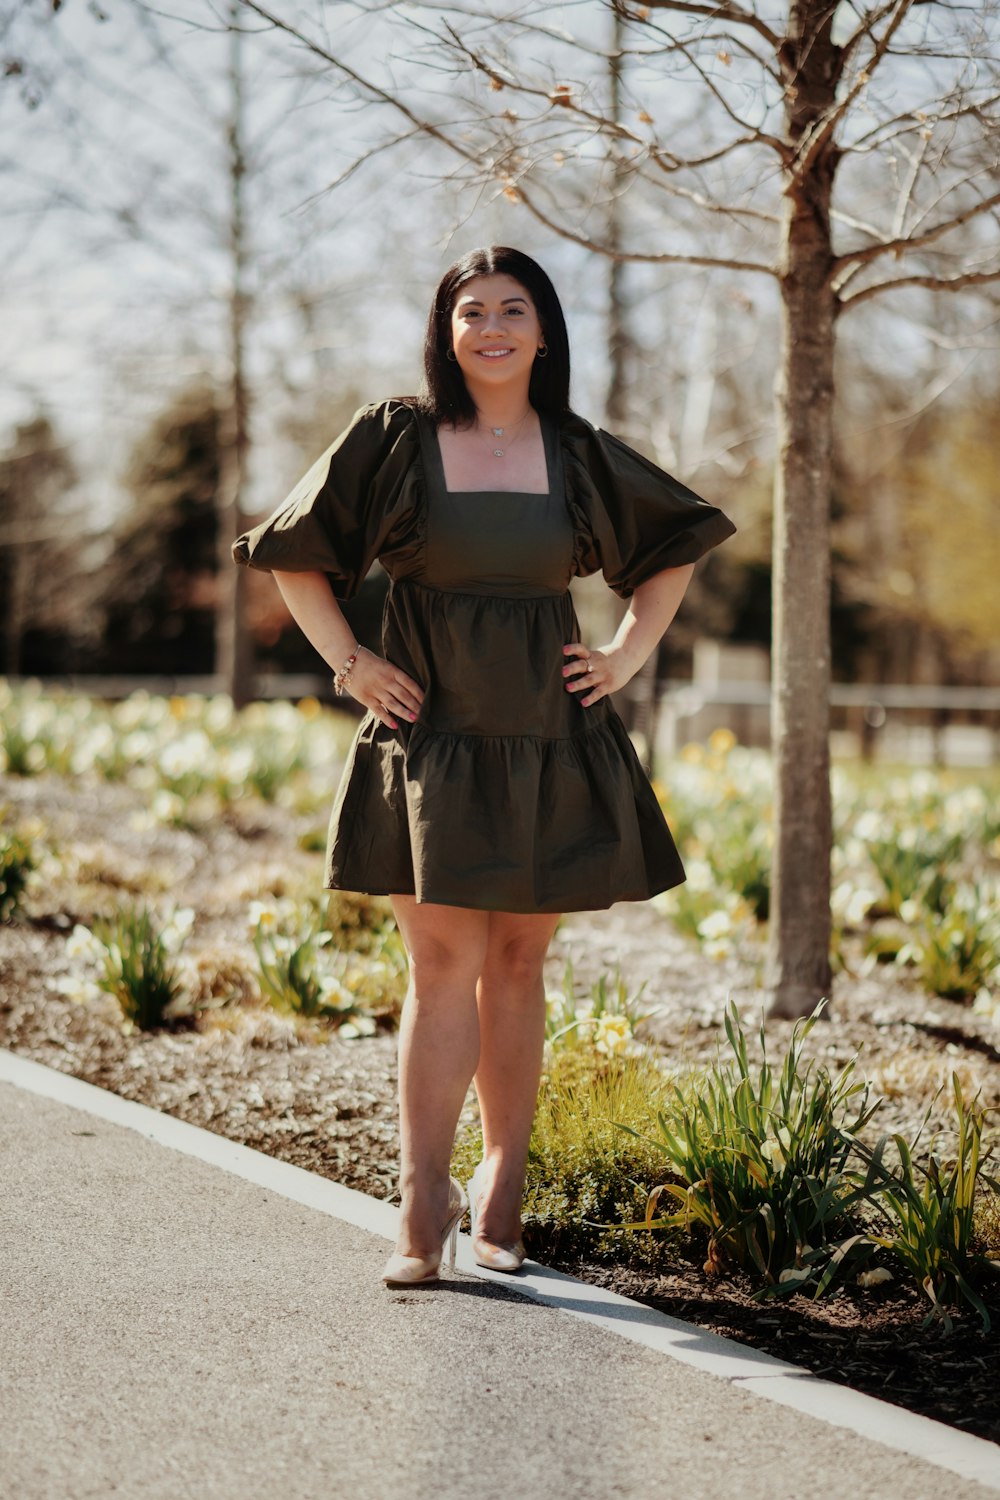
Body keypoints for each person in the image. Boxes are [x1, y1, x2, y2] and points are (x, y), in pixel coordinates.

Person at [233, 245, 736, 1290]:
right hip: (429, 733)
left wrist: (625, 657)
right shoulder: (394, 436)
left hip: (551, 734)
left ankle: (501, 1180)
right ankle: (424, 1191)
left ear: (544, 333)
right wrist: (350, 662)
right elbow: (294, 550)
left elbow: (678, 540)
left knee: (517, 965)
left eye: (514, 309)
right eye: (471, 310)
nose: (492, 326)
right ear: (447, 330)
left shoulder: (579, 450)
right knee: (440, 965)